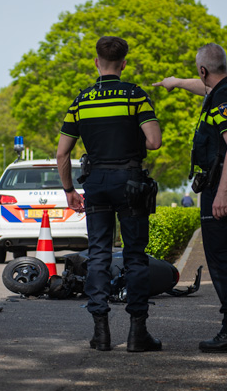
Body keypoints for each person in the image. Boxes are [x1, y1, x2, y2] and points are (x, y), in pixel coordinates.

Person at [57, 36, 163, 352]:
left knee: (99, 254)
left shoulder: (81, 102)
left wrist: (69, 191)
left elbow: (62, 154)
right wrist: (129, 138)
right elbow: (154, 141)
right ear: (124, 63)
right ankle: (136, 334)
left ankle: (100, 333)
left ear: (96, 62)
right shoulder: (136, 97)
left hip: (96, 182)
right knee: (134, 255)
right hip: (129, 181)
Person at [152, 43, 227, 353]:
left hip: (226, 185)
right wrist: (175, 83)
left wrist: (222, 193)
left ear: (203, 70)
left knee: (223, 262)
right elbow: (206, 88)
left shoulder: (222, 97)